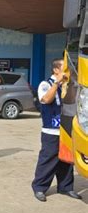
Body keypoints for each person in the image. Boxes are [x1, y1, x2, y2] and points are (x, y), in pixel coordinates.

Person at [31, 58, 82, 202]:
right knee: (48, 160)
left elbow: (71, 101)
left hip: (66, 129)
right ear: (56, 70)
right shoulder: (45, 84)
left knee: (66, 160)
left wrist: (70, 84)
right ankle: (40, 187)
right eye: (64, 67)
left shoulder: (67, 85)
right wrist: (57, 83)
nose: (68, 70)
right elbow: (46, 99)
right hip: (51, 130)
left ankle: (66, 187)